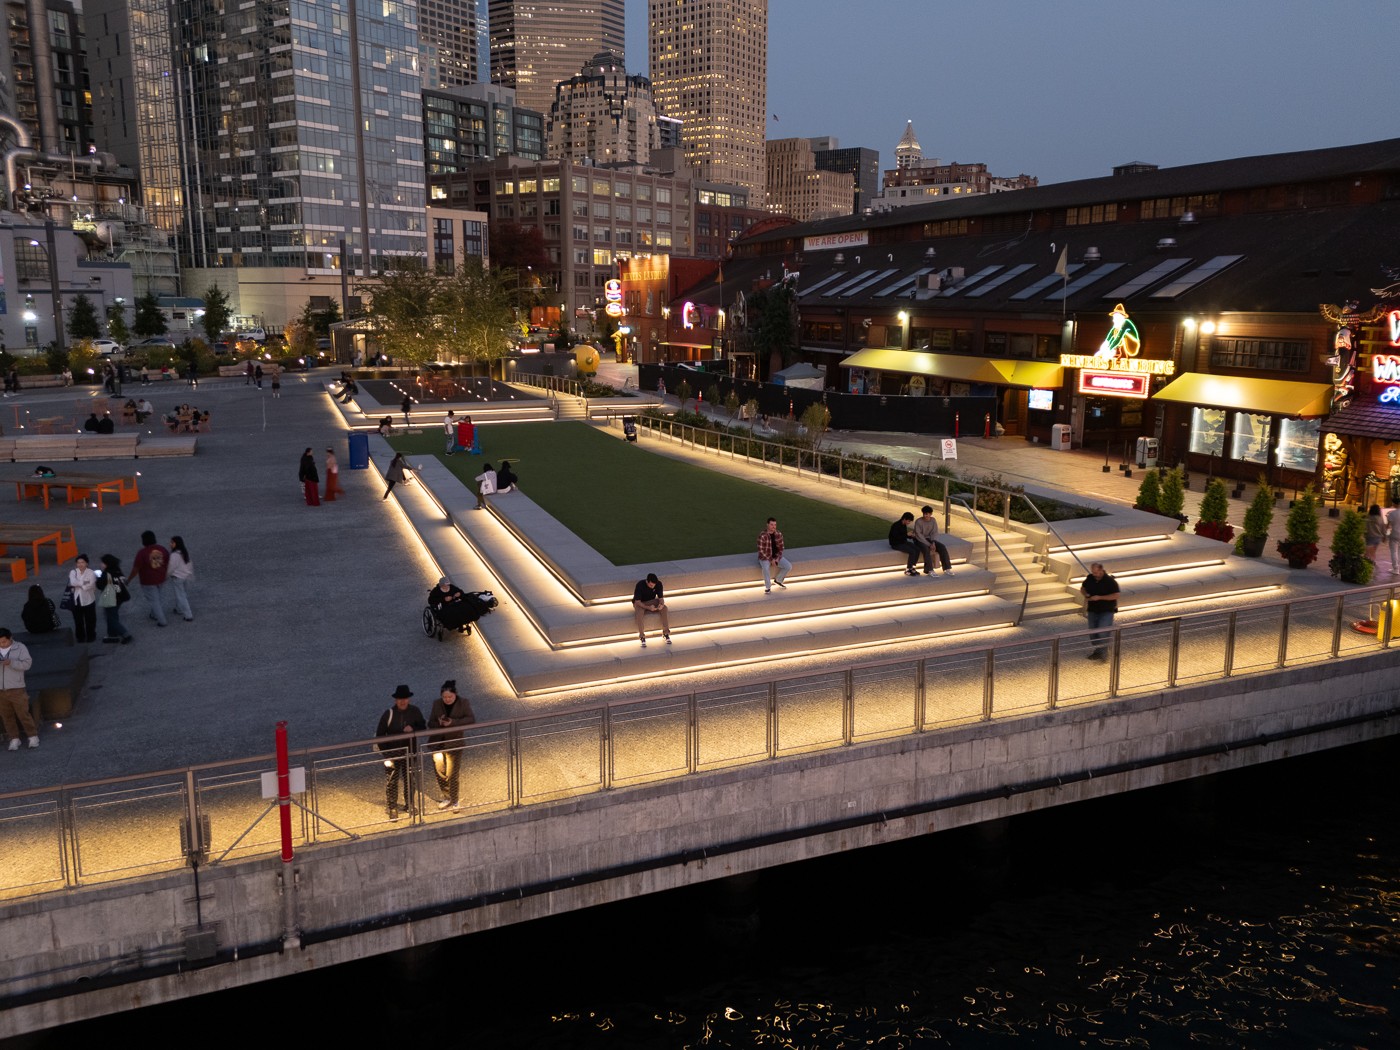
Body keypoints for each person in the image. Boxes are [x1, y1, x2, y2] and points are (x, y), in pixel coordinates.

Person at [375, 685, 426, 820]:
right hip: (393, 753)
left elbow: (422, 727)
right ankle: (392, 806)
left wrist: (413, 728)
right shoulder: (389, 714)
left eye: (404, 698)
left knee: (410, 779)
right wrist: (386, 754)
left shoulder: (415, 711)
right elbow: (380, 735)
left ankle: (409, 804)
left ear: (408, 699)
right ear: (396, 700)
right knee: (392, 780)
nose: (402, 701)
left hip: (410, 752)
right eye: (400, 699)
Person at [428, 679, 476, 811]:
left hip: (455, 743)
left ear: (455, 695)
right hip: (438, 743)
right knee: (440, 771)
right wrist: (438, 722)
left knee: (452, 773)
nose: (447, 699)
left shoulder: (463, 703)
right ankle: (447, 796)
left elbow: (471, 719)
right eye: (444, 697)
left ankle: (454, 800)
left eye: (450, 697)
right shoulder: (437, 704)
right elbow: (430, 723)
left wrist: (453, 722)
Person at [0, 627, 37, 749]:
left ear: (10, 638)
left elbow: (27, 664)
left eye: (4, 642)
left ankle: (32, 736)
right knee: (6, 716)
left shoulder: (20, 647)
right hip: (1, 690)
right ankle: (14, 738)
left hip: (16, 687)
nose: (2, 644)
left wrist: (11, 663)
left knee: (23, 714)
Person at [1080, 562, 1121, 661]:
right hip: (1093, 610)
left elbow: (1116, 595)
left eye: (1097, 572)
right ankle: (1098, 650)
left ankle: (1103, 651)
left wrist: (1100, 598)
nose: (1095, 575)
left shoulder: (1110, 581)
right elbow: (1082, 588)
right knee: (1093, 632)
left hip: (1106, 610)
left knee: (1103, 631)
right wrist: (1086, 595)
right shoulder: (1090, 578)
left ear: (1101, 570)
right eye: (1093, 572)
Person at [132, 530, 170, 627]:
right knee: (158, 597)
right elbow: (168, 561)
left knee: (154, 601)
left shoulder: (142, 553)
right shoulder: (162, 549)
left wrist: (128, 579)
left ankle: (162, 621)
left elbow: (136, 568)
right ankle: (154, 614)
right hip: (161, 577)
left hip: (148, 581)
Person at [95, 555, 133, 644]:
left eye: (103, 563)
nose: (101, 564)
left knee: (111, 618)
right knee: (113, 615)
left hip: (110, 598)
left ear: (107, 564)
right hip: (120, 597)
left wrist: (98, 578)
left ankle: (125, 634)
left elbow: (100, 585)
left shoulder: (106, 574)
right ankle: (112, 634)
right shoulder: (117, 570)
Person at [912, 505, 954, 576]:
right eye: (924, 514)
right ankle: (929, 570)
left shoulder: (933, 520)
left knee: (942, 547)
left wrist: (933, 542)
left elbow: (934, 532)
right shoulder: (918, 521)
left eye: (927, 514)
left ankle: (947, 568)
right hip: (919, 540)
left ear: (931, 514)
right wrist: (929, 544)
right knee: (926, 549)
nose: (925, 515)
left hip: (930, 539)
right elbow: (919, 535)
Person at [632, 572, 671, 647]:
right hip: (640, 603)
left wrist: (661, 604)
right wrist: (648, 608)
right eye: (650, 585)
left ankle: (666, 633)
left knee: (664, 608)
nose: (652, 587)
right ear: (647, 581)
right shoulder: (640, 585)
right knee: (639, 613)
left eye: (654, 585)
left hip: (651, 601)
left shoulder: (658, 584)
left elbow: (661, 598)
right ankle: (642, 636)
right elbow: (637, 602)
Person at [67, 554, 98, 643]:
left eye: (82, 562)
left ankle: (91, 636)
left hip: (89, 600)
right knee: (78, 621)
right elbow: (72, 582)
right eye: (78, 562)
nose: (80, 564)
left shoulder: (91, 572)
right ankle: (80, 637)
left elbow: (89, 585)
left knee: (90, 620)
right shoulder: (73, 572)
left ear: (87, 563)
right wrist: (83, 583)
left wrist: (78, 584)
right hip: (76, 601)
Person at [757, 517, 791, 593]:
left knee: (788, 566)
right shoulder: (762, 535)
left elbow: (781, 548)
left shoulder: (779, 534)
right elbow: (761, 551)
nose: (773, 526)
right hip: (765, 557)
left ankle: (778, 580)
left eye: (775, 525)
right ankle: (768, 587)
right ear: (767, 525)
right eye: (772, 524)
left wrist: (776, 559)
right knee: (765, 568)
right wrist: (771, 560)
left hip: (776, 557)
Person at [168, 536, 194, 621]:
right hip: (186, 576)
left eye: (172, 542)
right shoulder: (185, 552)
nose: (170, 544)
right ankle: (179, 608)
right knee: (183, 594)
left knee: (181, 596)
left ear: (176, 544)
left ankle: (188, 615)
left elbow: (171, 568)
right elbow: (189, 564)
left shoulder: (174, 555)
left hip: (177, 578)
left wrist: (166, 575)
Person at [888, 512, 922, 576]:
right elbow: (896, 537)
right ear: (904, 519)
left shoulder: (904, 525)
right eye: (908, 521)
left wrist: (911, 536)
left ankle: (912, 567)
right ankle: (908, 569)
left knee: (917, 549)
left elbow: (904, 536)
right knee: (912, 551)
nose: (909, 523)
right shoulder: (896, 525)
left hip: (903, 541)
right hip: (896, 544)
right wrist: (906, 534)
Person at [1387, 499, 1400, 575]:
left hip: (1395, 534)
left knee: (1394, 551)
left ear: (1395, 504)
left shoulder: (1392, 513)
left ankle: (1396, 569)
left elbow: (1388, 525)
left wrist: (1385, 534)